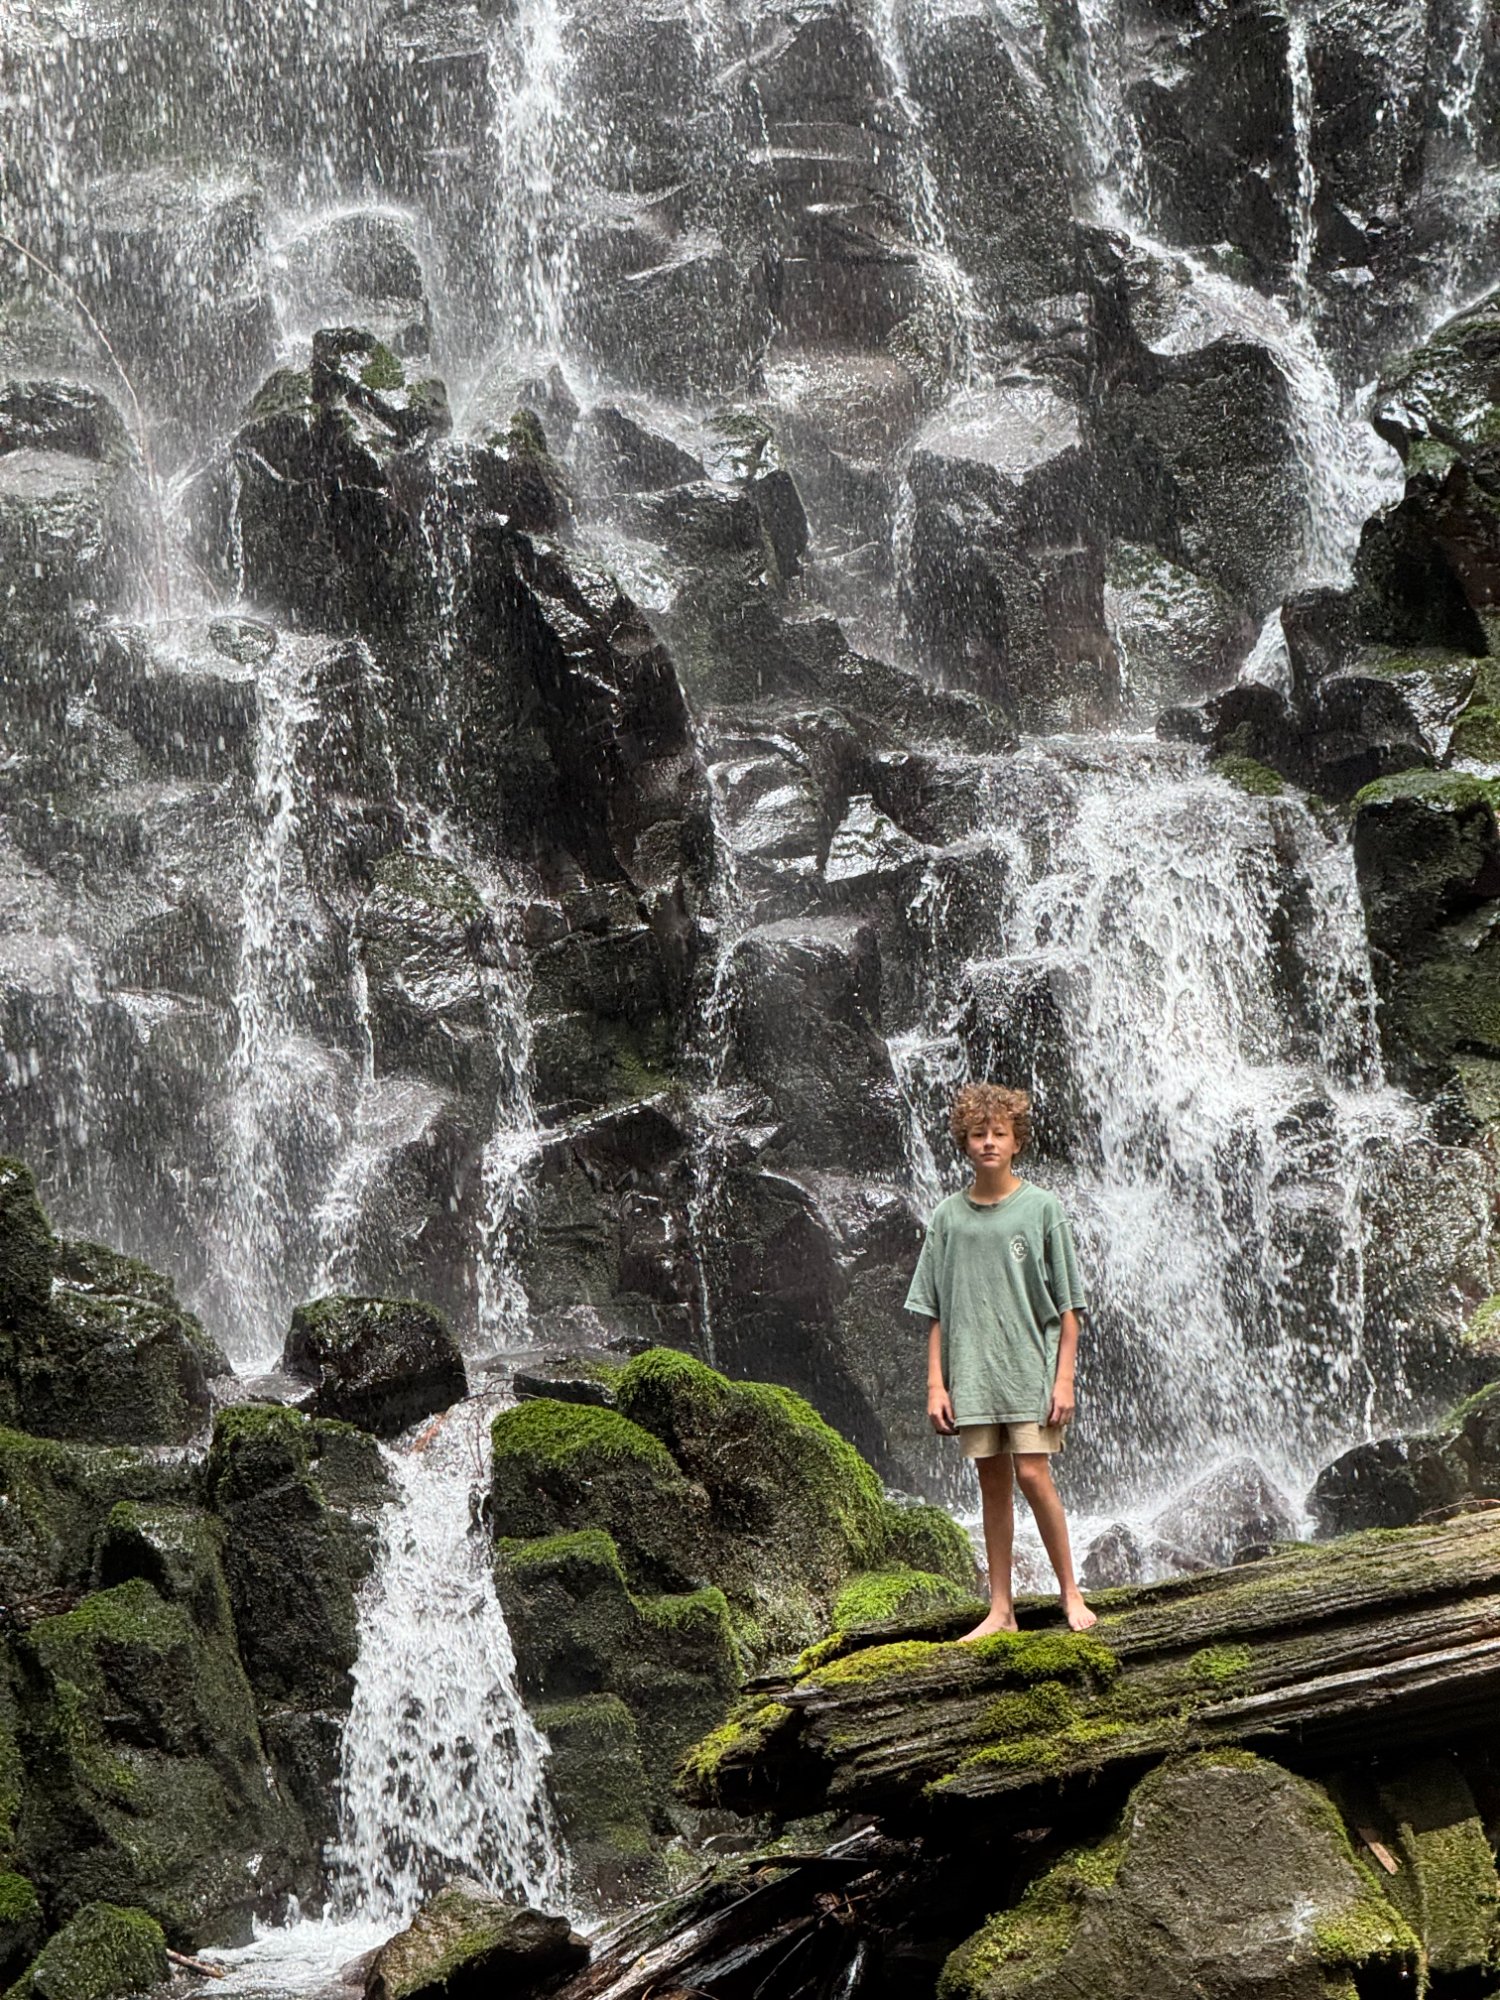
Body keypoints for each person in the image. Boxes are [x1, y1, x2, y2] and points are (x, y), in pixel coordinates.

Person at [905, 1081, 1096, 1638]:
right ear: (965, 1142)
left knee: (1034, 1474)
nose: (989, 1142)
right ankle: (1001, 1610)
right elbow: (935, 1312)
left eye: (1000, 1134)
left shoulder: (1041, 1209)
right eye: (978, 1134)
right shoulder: (947, 1218)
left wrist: (1064, 1380)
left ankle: (1070, 1591)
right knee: (992, 1485)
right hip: (974, 1373)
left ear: (1017, 1142)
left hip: (1027, 1371)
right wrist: (936, 1386)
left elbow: (1069, 1308)